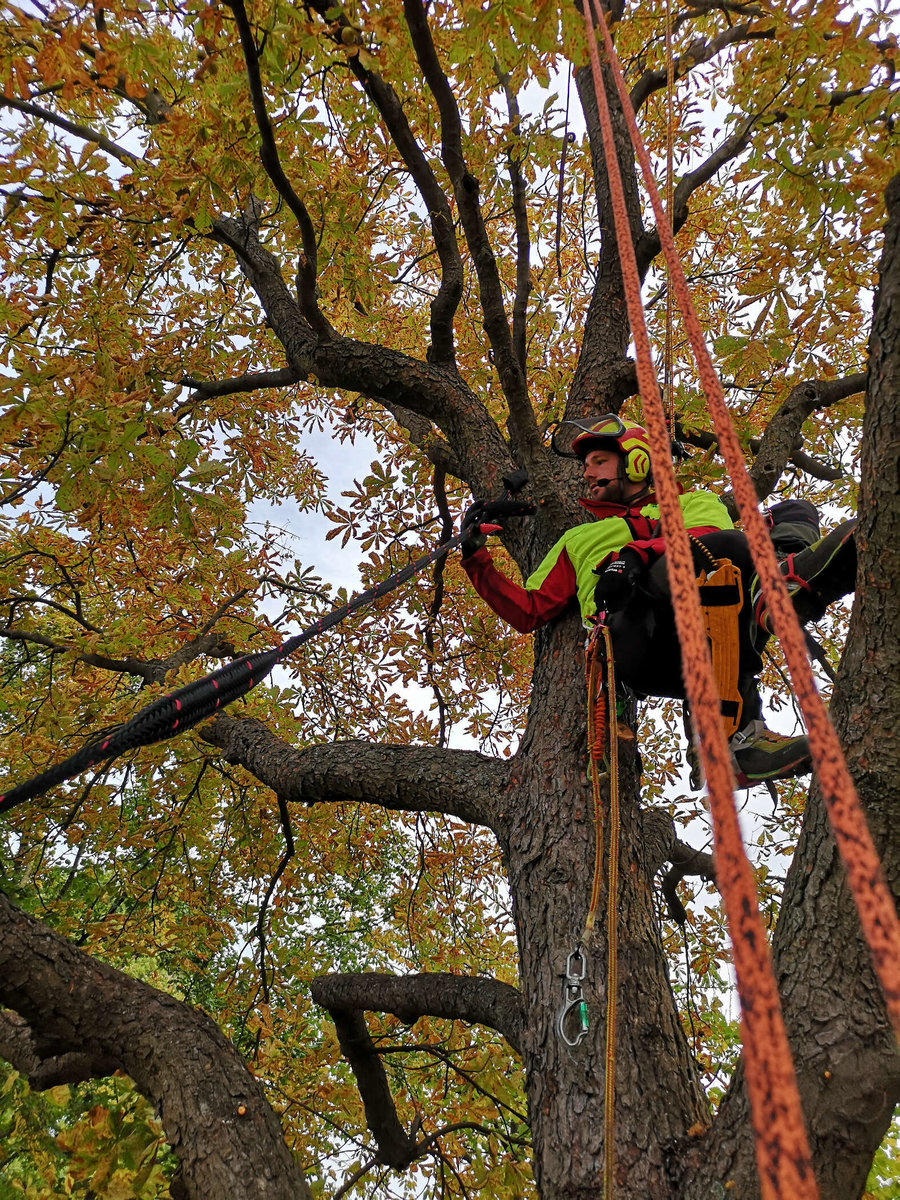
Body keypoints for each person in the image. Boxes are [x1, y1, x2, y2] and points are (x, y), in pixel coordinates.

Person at [461, 414, 856, 788]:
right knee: (722, 553)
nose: (587, 472)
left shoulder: (693, 503)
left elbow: (710, 544)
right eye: (587, 465)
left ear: (637, 462)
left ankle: (739, 741)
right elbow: (528, 609)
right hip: (634, 639)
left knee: (785, 516)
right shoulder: (577, 540)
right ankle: (776, 594)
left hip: (713, 629)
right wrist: (475, 556)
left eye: (599, 460)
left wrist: (636, 553)